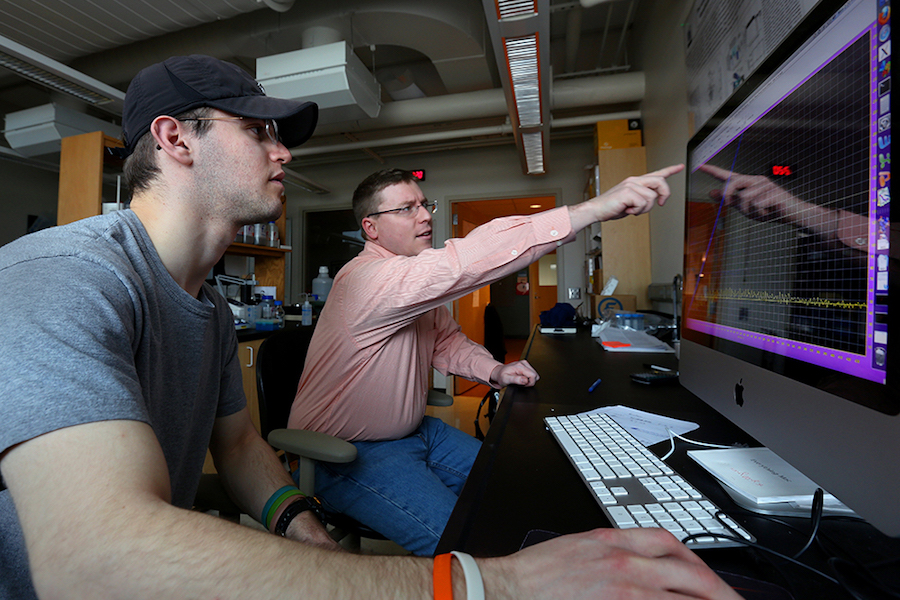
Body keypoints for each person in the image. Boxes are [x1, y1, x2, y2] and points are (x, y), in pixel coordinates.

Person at [0, 54, 740, 600]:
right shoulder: (67, 274)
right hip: (106, 572)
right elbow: (93, 563)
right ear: (176, 139)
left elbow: (238, 444)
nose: (283, 151)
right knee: (487, 551)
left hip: (400, 437)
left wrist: (303, 530)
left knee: (512, 500)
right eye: (259, 131)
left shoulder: (207, 309)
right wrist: (499, 587)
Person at [288, 164, 686, 557]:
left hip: (417, 433)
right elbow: (460, 263)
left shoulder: (411, 290)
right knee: (474, 543)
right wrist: (593, 209)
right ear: (370, 227)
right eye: (406, 208)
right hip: (345, 453)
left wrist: (495, 370)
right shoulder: (365, 280)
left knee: (521, 486)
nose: (425, 215)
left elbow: (446, 344)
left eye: (424, 205)